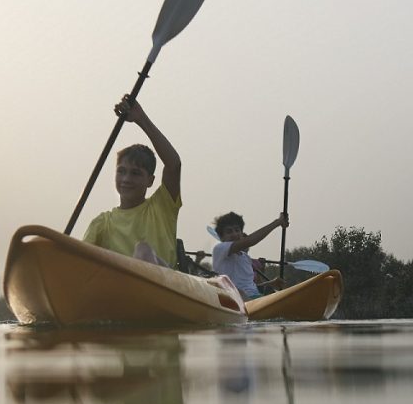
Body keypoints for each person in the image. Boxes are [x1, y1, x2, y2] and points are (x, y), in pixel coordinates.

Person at [81, 96, 182, 265]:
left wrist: (141, 119)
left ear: (150, 181)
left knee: (143, 250)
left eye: (135, 173)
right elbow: (80, 262)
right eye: (121, 171)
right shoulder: (102, 223)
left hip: (163, 284)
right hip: (121, 288)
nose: (126, 179)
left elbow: (174, 164)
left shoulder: (161, 206)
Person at [206, 209, 288, 302]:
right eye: (229, 232)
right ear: (222, 237)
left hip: (253, 299)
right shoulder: (220, 249)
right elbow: (249, 241)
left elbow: (250, 287)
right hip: (232, 299)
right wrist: (277, 222)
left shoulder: (245, 257)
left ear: (241, 233)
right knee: (241, 293)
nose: (234, 234)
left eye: (237, 230)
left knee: (260, 293)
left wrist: (271, 283)